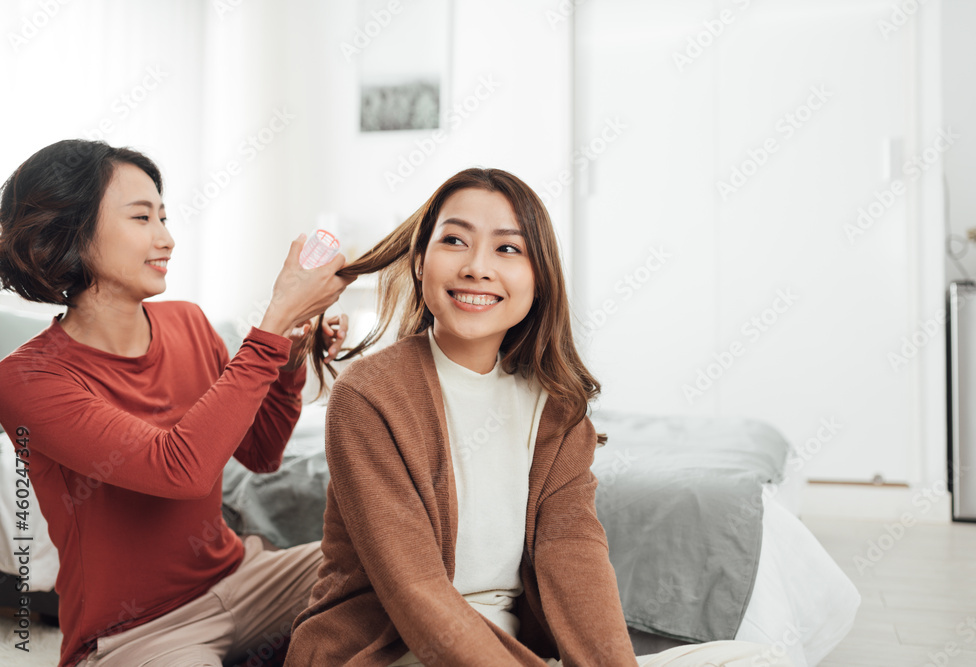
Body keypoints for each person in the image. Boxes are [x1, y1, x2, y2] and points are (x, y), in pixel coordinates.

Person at [285, 168, 792, 666]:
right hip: (398, 650)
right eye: (455, 241)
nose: (477, 267)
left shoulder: (556, 405)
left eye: (508, 248)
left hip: (512, 651)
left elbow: (574, 553)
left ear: (538, 277)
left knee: (764, 659)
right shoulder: (368, 396)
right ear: (420, 262)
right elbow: (414, 589)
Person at [0, 139, 354, 667]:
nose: (167, 238)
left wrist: (289, 358)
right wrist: (273, 323)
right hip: (136, 631)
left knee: (383, 567)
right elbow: (179, 469)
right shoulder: (26, 379)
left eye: (164, 217)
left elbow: (261, 454)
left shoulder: (188, 320)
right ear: (70, 231)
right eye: (142, 218)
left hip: (244, 579)